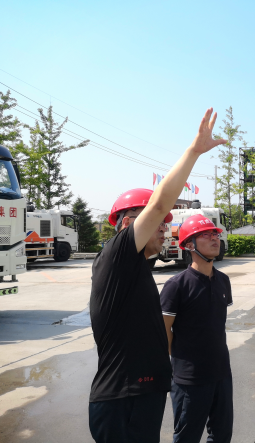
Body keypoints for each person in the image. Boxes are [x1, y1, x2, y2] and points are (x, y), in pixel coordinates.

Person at [88, 108, 226, 443]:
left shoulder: (136, 269)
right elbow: (161, 202)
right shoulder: (116, 258)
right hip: (123, 401)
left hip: (141, 396)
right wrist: (194, 151)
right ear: (127, 224)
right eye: (159, 222)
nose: (166, 227)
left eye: (166, 223)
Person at [160, 214, 234, 443]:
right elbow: (163, 332)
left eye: (215, 234)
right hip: (189, 380)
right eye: (206, 235)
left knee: (222, 435)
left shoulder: (223, 280)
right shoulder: (176, 286)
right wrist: (184, 359)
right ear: (190, 245)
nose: (215, 239)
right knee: (187, 437)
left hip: (221, 373)